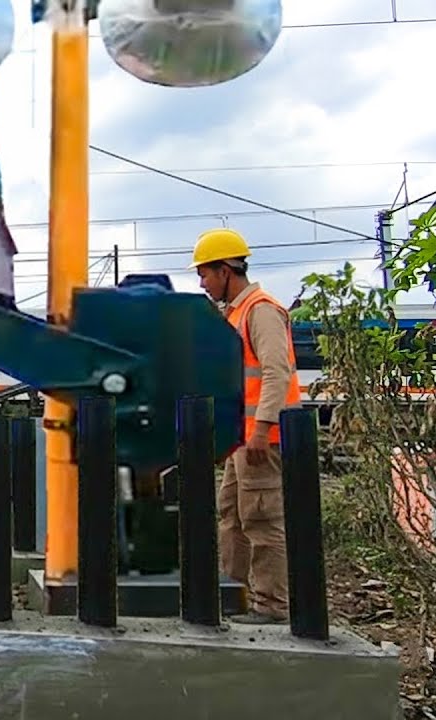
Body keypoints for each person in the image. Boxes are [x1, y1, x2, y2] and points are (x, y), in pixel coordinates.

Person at [190, 228, 302, 624]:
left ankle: (271, 607)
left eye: (205, 274)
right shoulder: (236, 313)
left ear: (225, 270)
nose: (202, 283)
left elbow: (277, 372)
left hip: (261, 438)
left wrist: (261, 427)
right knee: (231, 515)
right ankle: (232, 593)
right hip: (242, 438)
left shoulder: (261, 310)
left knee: (260, 519)